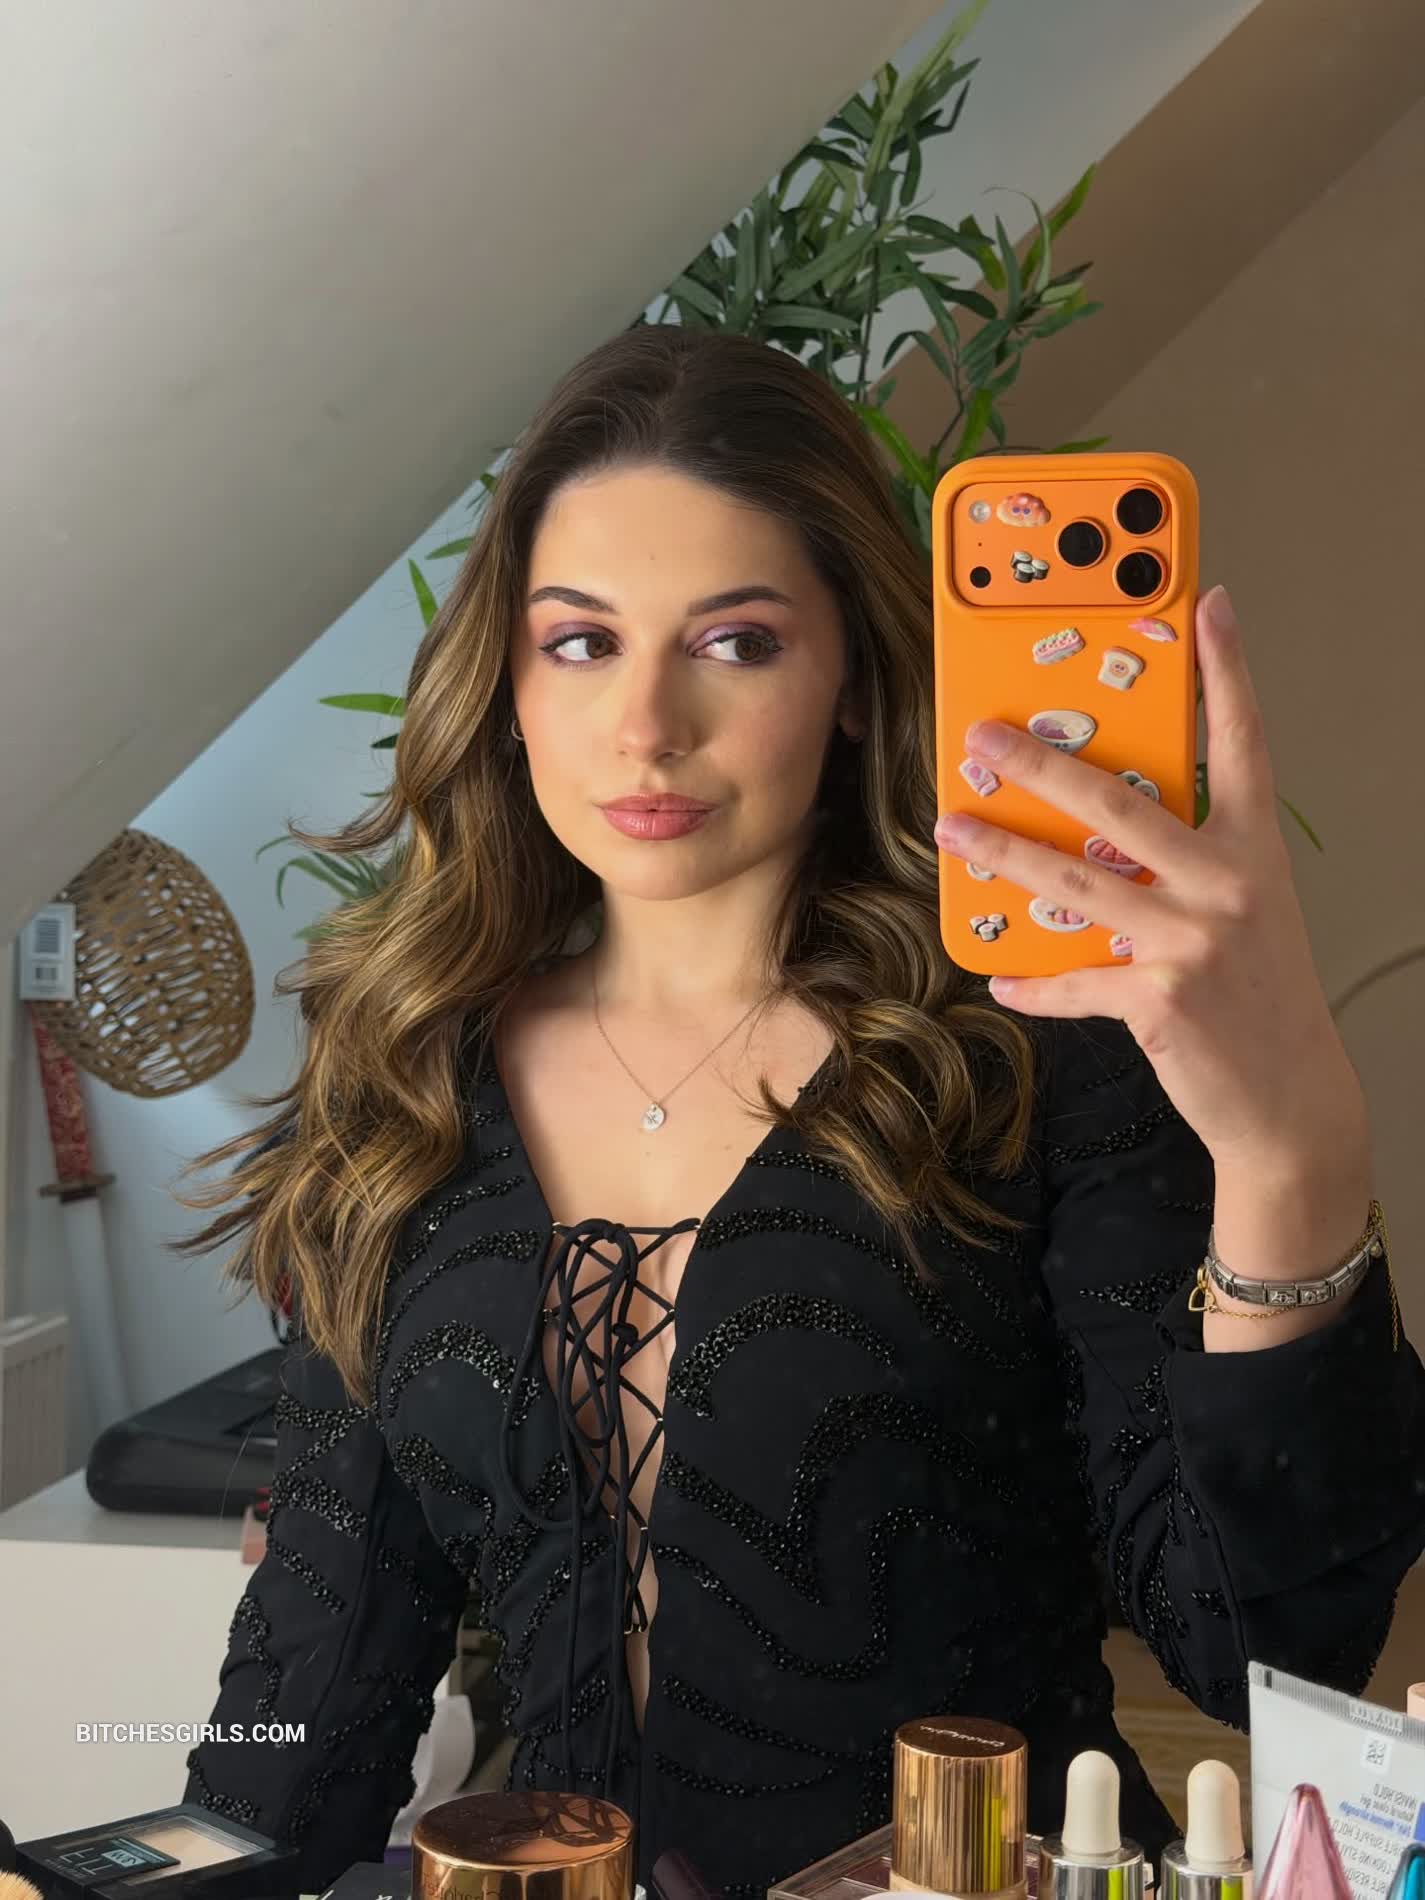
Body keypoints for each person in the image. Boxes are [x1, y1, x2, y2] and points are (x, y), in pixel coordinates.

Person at [173, 326, 1424, 1899]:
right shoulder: (404, 1082)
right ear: (506, 682)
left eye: (737, 641)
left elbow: (1268, 1648)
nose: (646, 724)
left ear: (848, 680)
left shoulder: (1036, 1060)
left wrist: (1290, 1147)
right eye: (581, 641)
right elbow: (306, 1711)